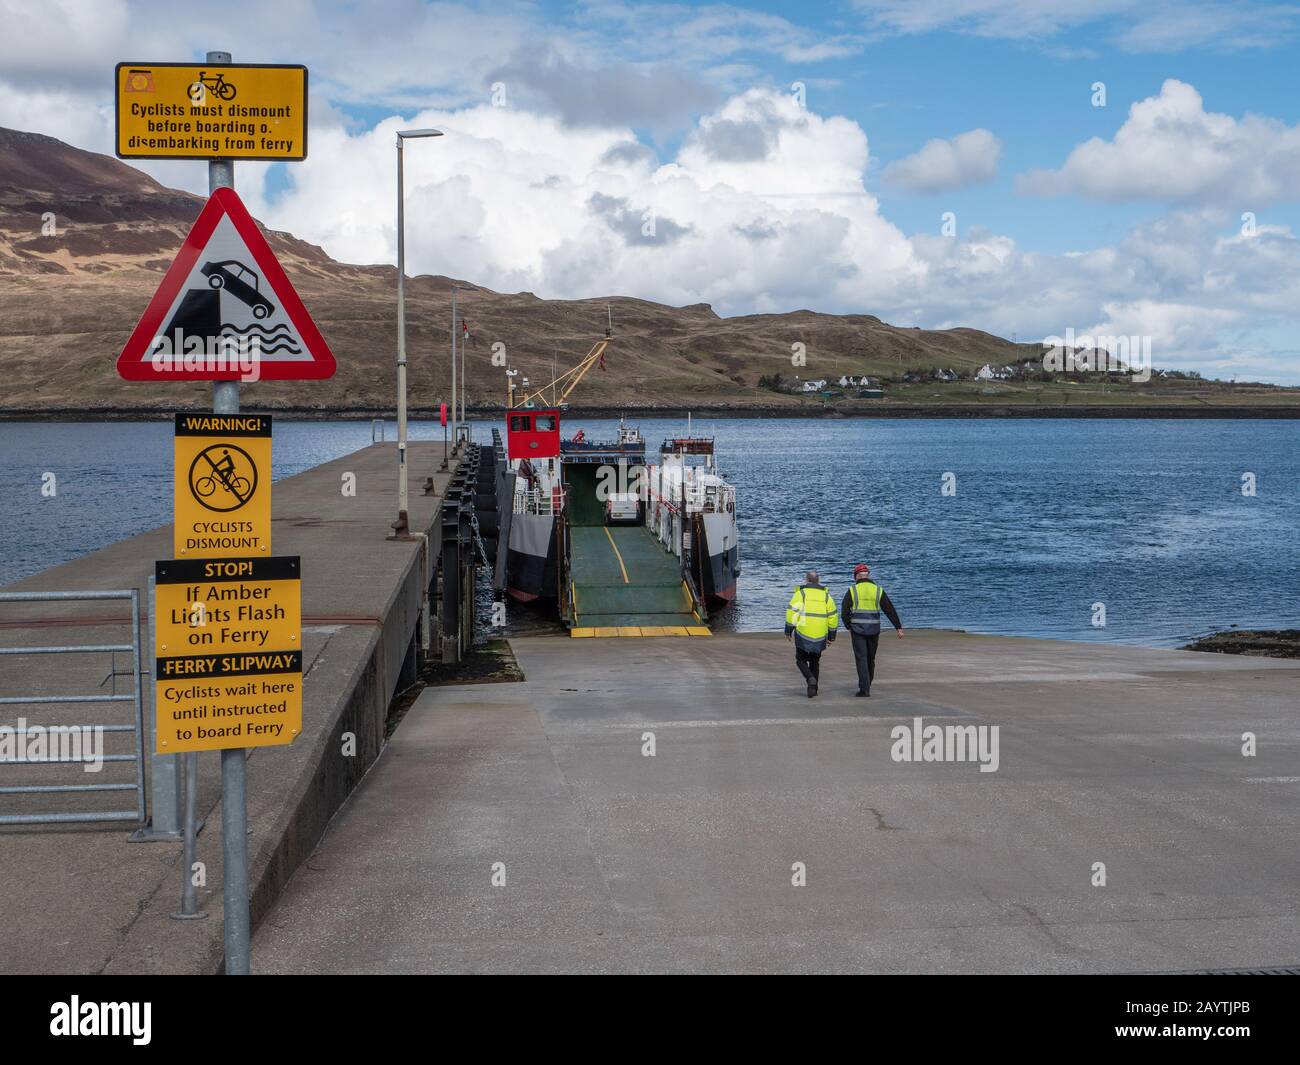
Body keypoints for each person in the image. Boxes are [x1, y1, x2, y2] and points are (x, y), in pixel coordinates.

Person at [841, 563, 903, 696]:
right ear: (868, 575)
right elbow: (889, 609)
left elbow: (844, 610)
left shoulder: (852, 590)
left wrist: (848, 626)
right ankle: (867, 683)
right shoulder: (878, 590)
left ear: (857, 576)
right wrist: (898, 627)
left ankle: (864, 689)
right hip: (874, 629)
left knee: (861, 658)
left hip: (857, 630)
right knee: (870, 658)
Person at [784, 570, 839, 698]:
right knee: (815, 661)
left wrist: (788, 630)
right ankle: (813, 689)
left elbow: (792, 613)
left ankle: (810, 678)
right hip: (820, 633)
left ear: (807, 580)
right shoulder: (826, 596)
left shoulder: (801, 594)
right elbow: (833, 617)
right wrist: (832, 636)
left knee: (800, 660)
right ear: (818, 581)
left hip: (804, 632)